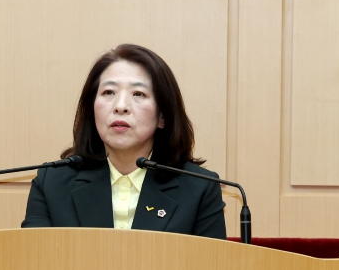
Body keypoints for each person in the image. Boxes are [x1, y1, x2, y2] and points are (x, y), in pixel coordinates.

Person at [21, 44, 226, 239]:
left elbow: (210, 264)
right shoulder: (51, 184)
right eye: (109, 92)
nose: (120, 106)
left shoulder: (199, 189)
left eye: (138, 94)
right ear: (92, 109)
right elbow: (35, 259)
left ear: (162, 116)